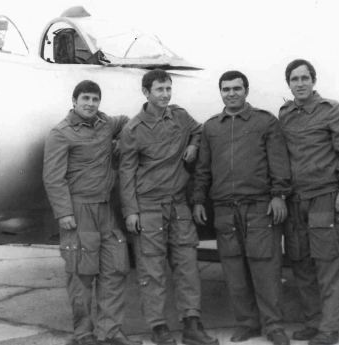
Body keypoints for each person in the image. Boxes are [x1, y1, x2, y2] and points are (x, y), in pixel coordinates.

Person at [191, 71, 292, 345]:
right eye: (226, 89)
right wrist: (199, 199)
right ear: (220, 92)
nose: (231, 93)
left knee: (266, 268)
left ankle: (274, 326)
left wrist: (279, 195)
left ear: (246, 90)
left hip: (260, 207)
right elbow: (202, 170)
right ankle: (248, 323)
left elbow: (279, 162)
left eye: (237, 88)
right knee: (234, 270)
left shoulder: (265, 121)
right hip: (224, 209)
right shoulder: (211, 127)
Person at [119, 69, 219, 345]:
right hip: (149, 207)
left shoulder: (180, 117)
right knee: (152, 270)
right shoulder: (133, 130)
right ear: (146, 92)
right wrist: (131, 212)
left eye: (168, 89)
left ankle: (192, 324)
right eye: (159, 90)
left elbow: (200, 131)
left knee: (187, 265)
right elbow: (126, 173)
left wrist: (194, 145)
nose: (165, 94)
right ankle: (159, 327)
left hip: (178, 205)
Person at [43, 80, 141, 345]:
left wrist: (121, 140)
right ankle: (84, 334)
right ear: (74, 101)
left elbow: (131, 121)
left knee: (114, 270)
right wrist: (64, 213)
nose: (90, 104)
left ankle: (111, 331)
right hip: (78, 210)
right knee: (81, 275)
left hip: (105, 208)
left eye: (95, 99)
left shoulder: (107, 123)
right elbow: (53, 178)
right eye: (85, 98)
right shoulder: (60, 133)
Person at [279, 59, 339, 345]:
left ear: (313, 81)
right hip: (295, 200)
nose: (300, 84)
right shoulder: (286, 114)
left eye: (305, 78)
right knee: (301, 263)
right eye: (294, 79)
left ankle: (329, 329)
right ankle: (312, 323)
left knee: (329, 265)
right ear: (288, 83)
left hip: (325, 198)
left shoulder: (332, 110)